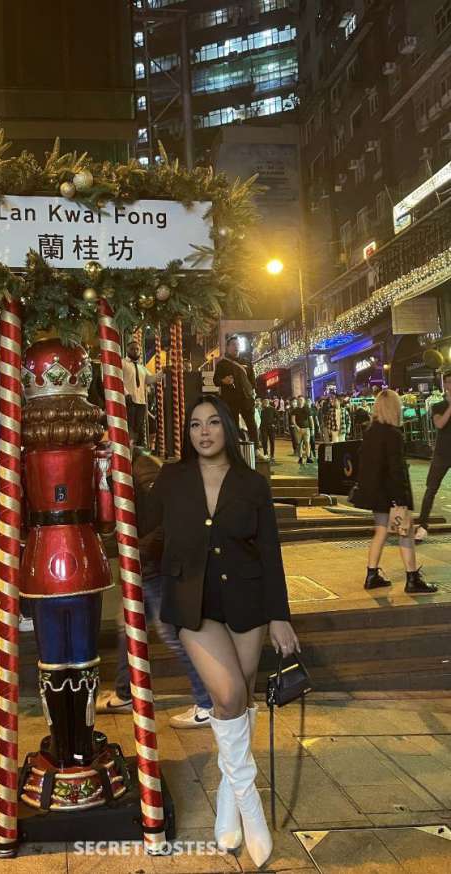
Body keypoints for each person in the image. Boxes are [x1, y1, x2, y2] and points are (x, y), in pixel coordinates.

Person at [145, 394, 298, 866]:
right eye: (195, 425)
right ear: (187, 433)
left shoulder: (252, 483)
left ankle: (228, 796)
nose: (204, 432)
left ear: (227, 428)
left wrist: (279, 614)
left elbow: (269, 551)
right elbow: (140, 525)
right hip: (194, 606)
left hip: (247, 602)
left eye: (212, 423)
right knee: (228, 693)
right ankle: (250, 804)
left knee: (240, 699)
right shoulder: (172, 479)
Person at [97, 448, 213, 727]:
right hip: (144, 565)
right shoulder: (121, 469)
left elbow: (165, 520)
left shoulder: (143, 470)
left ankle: (208, 702)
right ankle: (126, 693)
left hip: (156, 566)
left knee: (173, 635)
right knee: (128, 626)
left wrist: (140, 550)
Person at [352, 390, 437, 593]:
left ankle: (372, 574)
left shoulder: (370, 432)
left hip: (375, 494)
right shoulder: (393, 434)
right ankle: (412, 578)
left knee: (381, 531)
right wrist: (401, 499)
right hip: (392, 494)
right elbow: (395, 469)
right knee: (405, 533)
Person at [415, 371, 451, 542]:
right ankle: (422, 526)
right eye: (449, 382)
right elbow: (439, 424)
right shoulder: (438, 406)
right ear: (445, 384)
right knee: (431, 489)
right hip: (442, 454)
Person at [213, 335, 257, 445]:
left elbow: (252, 382)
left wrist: (251, 394)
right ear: (227, 347)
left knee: (252, 424)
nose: (236, 347)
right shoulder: (222, 364)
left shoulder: (247, 362)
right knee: (233, 425)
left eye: (238, 344)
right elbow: (216, 380)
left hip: (246, 399)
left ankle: (256, 449)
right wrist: (224, 381)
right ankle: (235, 448)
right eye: (233, 344)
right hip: (230, 400)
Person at [122, 339, 161, 446]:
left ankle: (134, 448)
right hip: (129, 401)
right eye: (132, 349)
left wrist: (163, 372)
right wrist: (126, 394)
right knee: (129, 426)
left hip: (141, 402)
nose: (135, 351)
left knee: (137, 428)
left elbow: (151, 379)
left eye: (137, 349)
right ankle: (128, 448)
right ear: (127, 350)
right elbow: (118, 380)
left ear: (140, 351)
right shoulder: (122, 363)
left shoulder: (142, 367)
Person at [291, 396, 312, 464]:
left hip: (306, 429)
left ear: (304, 401)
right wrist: (297, 427)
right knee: (299, 444)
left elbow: (311, 419)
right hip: (298, 429)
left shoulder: (307, 409)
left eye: (301, 400)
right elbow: (293, 420)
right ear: (297, 401)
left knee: (307, 443)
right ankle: (300, 458)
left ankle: (308, 457)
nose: (300, 401)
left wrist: (312, 429)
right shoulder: (295, 410)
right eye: (299, 400)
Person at [260, 398, 277, 462]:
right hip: (263, 428)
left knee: (272, 441)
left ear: (268, 403)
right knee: (264, 441)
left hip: (271, 428)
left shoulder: (272, 409)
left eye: (266, 402)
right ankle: (265, 454)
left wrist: (274, 424)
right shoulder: (261, 409)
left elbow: (277, 417)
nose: (265, 403)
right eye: (264, 402)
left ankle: (272, 455)